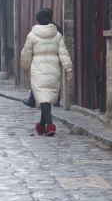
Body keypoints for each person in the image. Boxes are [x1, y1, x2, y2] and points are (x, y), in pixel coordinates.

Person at [19, 7, 75, 136]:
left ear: (37, 20)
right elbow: (63, 53)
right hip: (53, 69)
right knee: (46, 97)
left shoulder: (32, 35)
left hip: (38, 69)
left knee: (44, 98)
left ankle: (50, 125)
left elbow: (26, 53)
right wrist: (69, 69)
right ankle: (41, 125)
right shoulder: (57, 35)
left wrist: (25, 66)